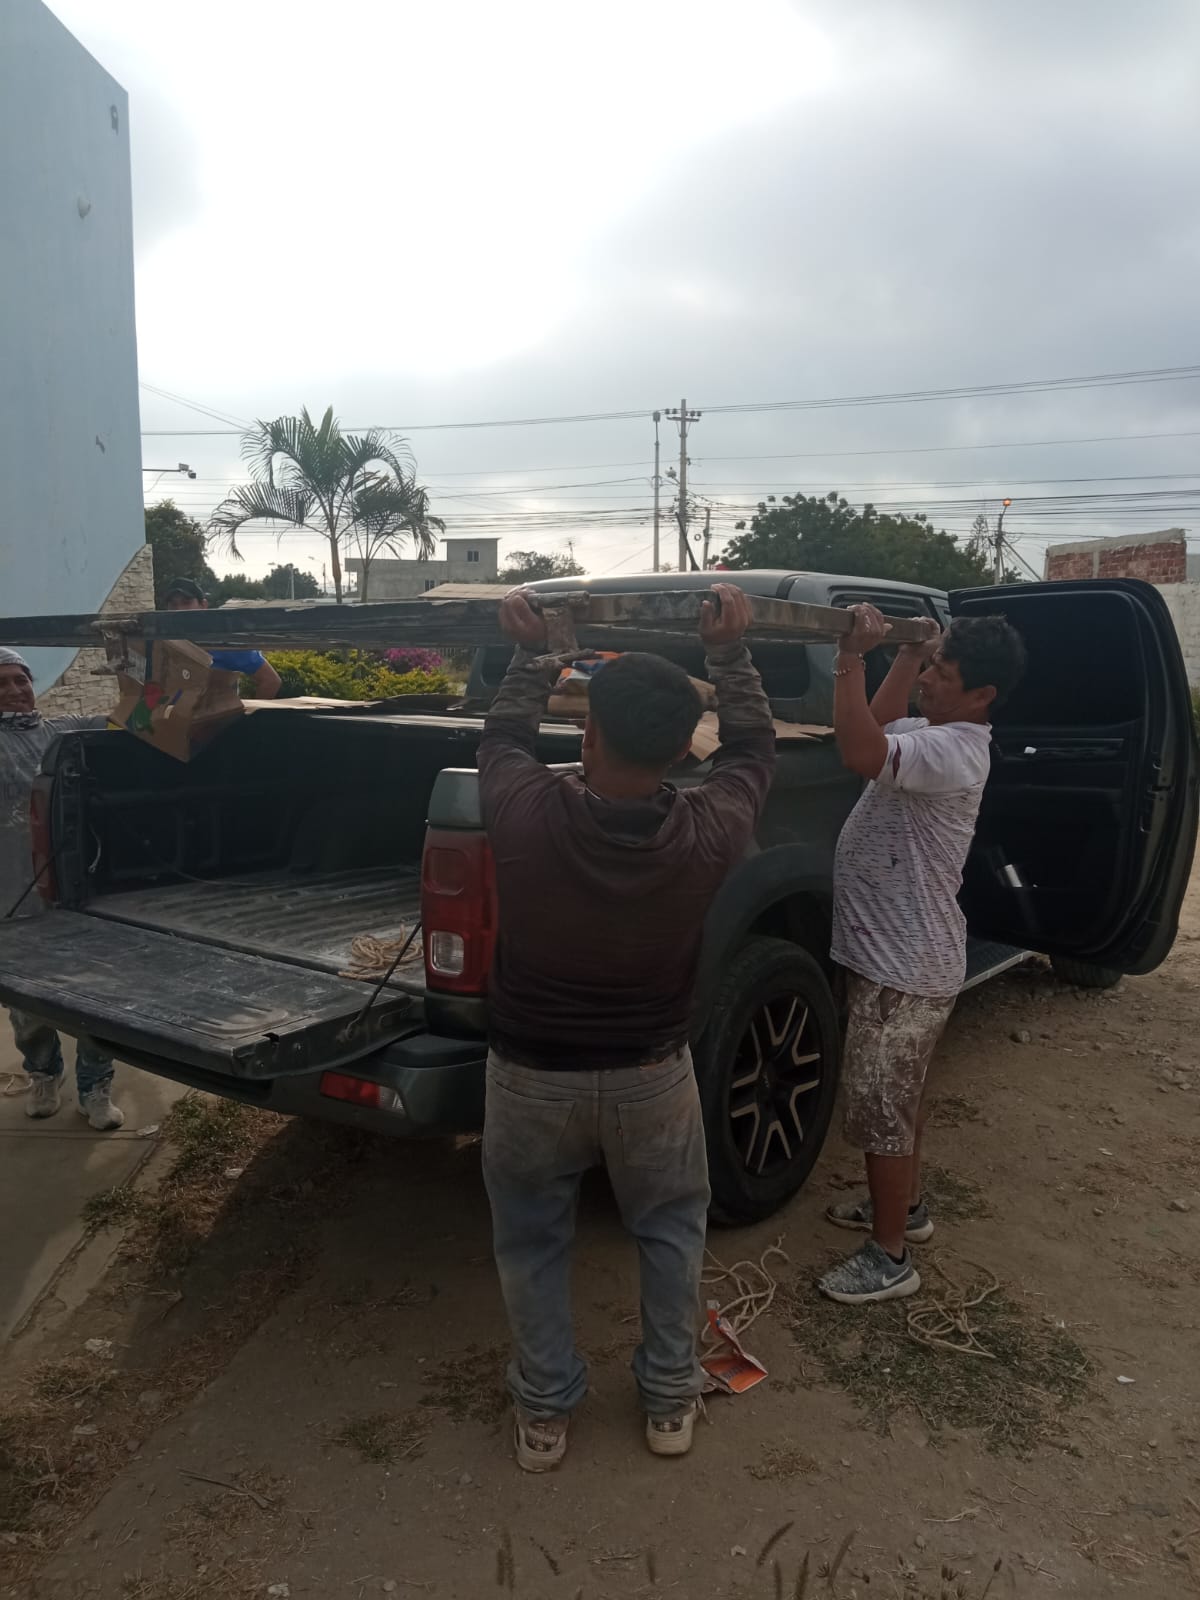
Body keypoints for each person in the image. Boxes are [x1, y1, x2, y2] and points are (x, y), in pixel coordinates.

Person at [478, 582, 775, 1471]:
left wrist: (536, 653)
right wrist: (730, 653)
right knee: (672, 1230)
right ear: (685, 747)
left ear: (588, 735)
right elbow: (753, 750)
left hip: (529, 1076)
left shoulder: (524, 811)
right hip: (653, 1075)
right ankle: (669, 1400)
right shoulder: (712, 830)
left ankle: (544, 1414)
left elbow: (502, 738)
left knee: (532, 1239)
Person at [819, 604, 1026, 1305]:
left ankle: (891, 1257)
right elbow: (876, 726)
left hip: (904, 966)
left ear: (982, 695)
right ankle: (904, 1209)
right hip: (897, 957)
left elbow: (858, 752)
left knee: (883, 1106)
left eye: (943, 672)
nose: (931, 681)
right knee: (900, 1097)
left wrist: (851, 658)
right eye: (933, 666)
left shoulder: (956, 750)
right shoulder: (928, 731)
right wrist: (906, 655)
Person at [0, 648, 124, 1130]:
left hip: (76, 894)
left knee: (94, 995)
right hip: (12, 899)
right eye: (2, 683)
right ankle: (44, 1074)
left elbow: (130, 721)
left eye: (21, 680)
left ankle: (95, 1087)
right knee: (27, 1007)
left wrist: (137, 674)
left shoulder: (64, 732)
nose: (15, 690)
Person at [162, 578, 282, 698]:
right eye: (173, 604)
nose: (179, 609)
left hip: (213, 710)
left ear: (203, 605)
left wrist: (253, 711)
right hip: (168, 710)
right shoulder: (161, 640)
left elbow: (271, 681)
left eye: (186, 602)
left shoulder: (221, 641)